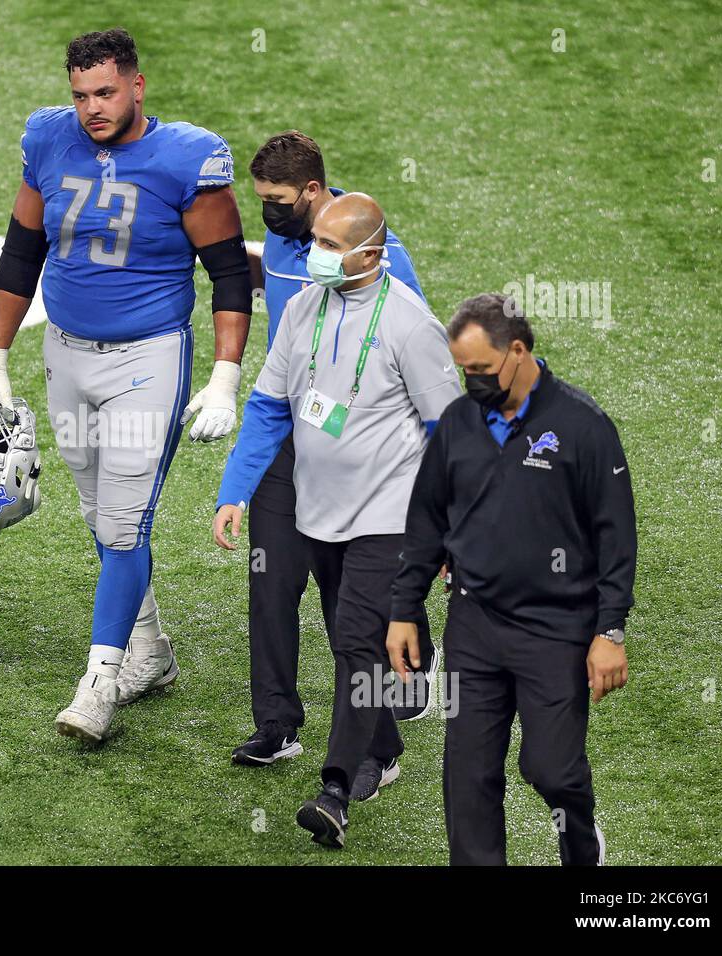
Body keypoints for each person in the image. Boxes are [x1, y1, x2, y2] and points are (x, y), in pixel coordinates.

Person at [0, 28, 252, 743]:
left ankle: (100, 681)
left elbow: (226, 271)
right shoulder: (48, 139)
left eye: (106, 92)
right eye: (80, 94)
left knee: (124, 522)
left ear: (136, 86)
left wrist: (225, 375)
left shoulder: (186, 156)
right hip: (65, 351)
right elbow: (21, 250)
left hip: (146, 359)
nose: (92, 107)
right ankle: (151, 652)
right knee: (101, 517)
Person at [214, 192, 461, 847]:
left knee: (355, 641)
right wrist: (234, 491)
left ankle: (335, 789)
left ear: (372, 255)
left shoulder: (411, 326)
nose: (312, 254)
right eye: (315, 241)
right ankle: (384, 747)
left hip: (388, 513)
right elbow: (269, 407)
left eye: (329, 245)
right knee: (349, 641)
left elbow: (450, 434)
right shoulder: (301, 310)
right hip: (316, 508)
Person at [388, 293, 635, 865]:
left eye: (480, 369)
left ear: (518, 351)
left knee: (550, 768)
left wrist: (611, 631)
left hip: (556, 628)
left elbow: (616, 535)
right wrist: (404, 608)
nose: (470, 381)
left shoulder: (583, 425)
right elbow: (426, 519)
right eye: (462, 370)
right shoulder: (458, 422)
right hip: (474, 624)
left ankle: (579, 838)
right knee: (468, 777)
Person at [233, 130, 438, 771]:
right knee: (270, 582)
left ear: (315, 194)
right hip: (294, 434)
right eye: (260, 197)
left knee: (349, 593)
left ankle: (404, 672)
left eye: (280, 199)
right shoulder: (288, 250)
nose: (268, 209)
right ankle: (276, 723)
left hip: (366, 449)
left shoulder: (380, 259)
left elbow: (415, 361)